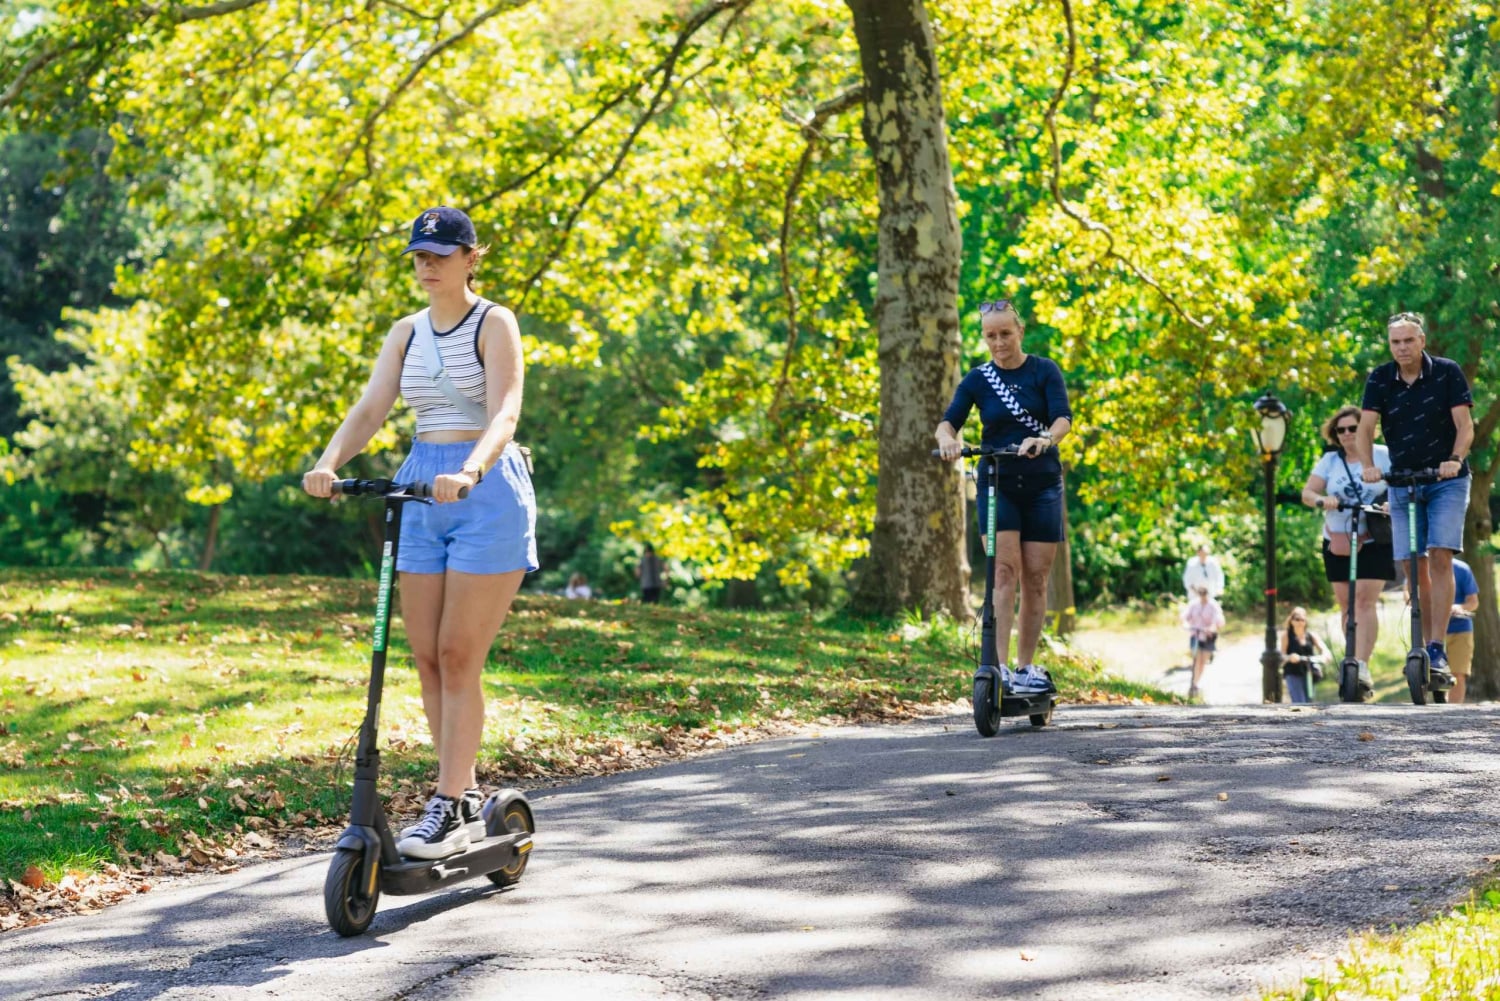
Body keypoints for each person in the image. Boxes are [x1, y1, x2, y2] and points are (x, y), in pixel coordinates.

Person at [302, 206, 537, 860]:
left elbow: (507, 410)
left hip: (483, 489)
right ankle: (458, 795)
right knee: (429, 657)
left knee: (461, 654)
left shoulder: (494, 322)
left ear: (470, 257)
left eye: (440, 253)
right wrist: (328, 463)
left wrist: (469, 469)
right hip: (419, 486)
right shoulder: (405, 332)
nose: (427, 265)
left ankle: (446, 802)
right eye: (419, 255)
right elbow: (372, 407)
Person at [935, 298, 1073, 695]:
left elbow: (1063, 418)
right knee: (1004, 572)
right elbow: (949, 422)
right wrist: (947, 441)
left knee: (1035, 577)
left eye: (1005, 334)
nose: (998, 343)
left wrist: (1044, 438)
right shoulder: (978, 379)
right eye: (991, 336)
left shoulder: (1044, 370)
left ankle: (1025, 667)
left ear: (1020, 331)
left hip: (1042, 484)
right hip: (997, 484)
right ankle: (995, 670)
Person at [1353, 311, 1474, 689]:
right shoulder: (1380, 378)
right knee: (1410, 563)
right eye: (1395, 342)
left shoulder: (1447, 372)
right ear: (1390, 345)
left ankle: (1437, 646)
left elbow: (1465, 427)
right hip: (1402, 480)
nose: (1402, 348)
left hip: (1444, 480)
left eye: (1408, 340)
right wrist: (1370, 466)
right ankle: (1421, 647)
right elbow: (1365, 428)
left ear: (1421, 341)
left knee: (1439, 554)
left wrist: (1454, 460)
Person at [1301, 405, 1394, 696]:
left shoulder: (1382, 454)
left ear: (1365, 428)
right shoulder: (1330, 461)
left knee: (1365, 603)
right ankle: (1351, 659)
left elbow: (1400, 486)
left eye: (1352, 428)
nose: (1346, 434)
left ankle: (1362, 664)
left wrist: (1393, 503)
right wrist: (1322, 500)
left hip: (1373, 538)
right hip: (1338, 538)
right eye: (1340, 430)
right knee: (1346, 605)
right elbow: (1307, 493)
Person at [1181, 545, 1225, 663]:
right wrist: (1195, 591)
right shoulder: (1192, 563)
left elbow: (1219, 576)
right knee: (1195, 623)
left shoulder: (1213, 563)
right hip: (1195, 596)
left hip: (1210, 595)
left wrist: (1219, 589)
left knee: (1211, 621)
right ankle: (1195, 649)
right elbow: (1187, 580)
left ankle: (1209, 648)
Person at [1180, 586, 1225, 701]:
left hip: (1208, 636)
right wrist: (1186, 624)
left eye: (1204, 595)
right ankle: (1194, 684)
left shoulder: (1213, 605)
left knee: (1202, 661)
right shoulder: (1194, 604)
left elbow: (1218, 619)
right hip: (1196, 635)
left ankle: (1196, 682)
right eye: (1201, 595)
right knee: (1196, 660)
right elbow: (1185, 617)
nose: (1203, 598)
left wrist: (1212, 628)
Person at [1446, 557, 1480, 703]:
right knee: (1427, 674)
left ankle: (1452, 713)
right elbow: (1408, 593)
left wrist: (1459, 607)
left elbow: (1473, 602)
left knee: (1458, 674)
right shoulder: (1421, 566)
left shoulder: (1462, 569)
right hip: (1429, 629)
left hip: (1460, 629)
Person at [1280, 606, 1328, 704]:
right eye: (1297, 619)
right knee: (1299, 702)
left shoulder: (1311, 635)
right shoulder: (1287, 636)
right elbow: (1281, 655)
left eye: (1303, 619)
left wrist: (1324, 656)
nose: (1300, 622)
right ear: (1291, 621)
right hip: (1293, 672)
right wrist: (1290, 657)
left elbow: (1325, 651)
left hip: (1309, 672)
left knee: (1309, 702)